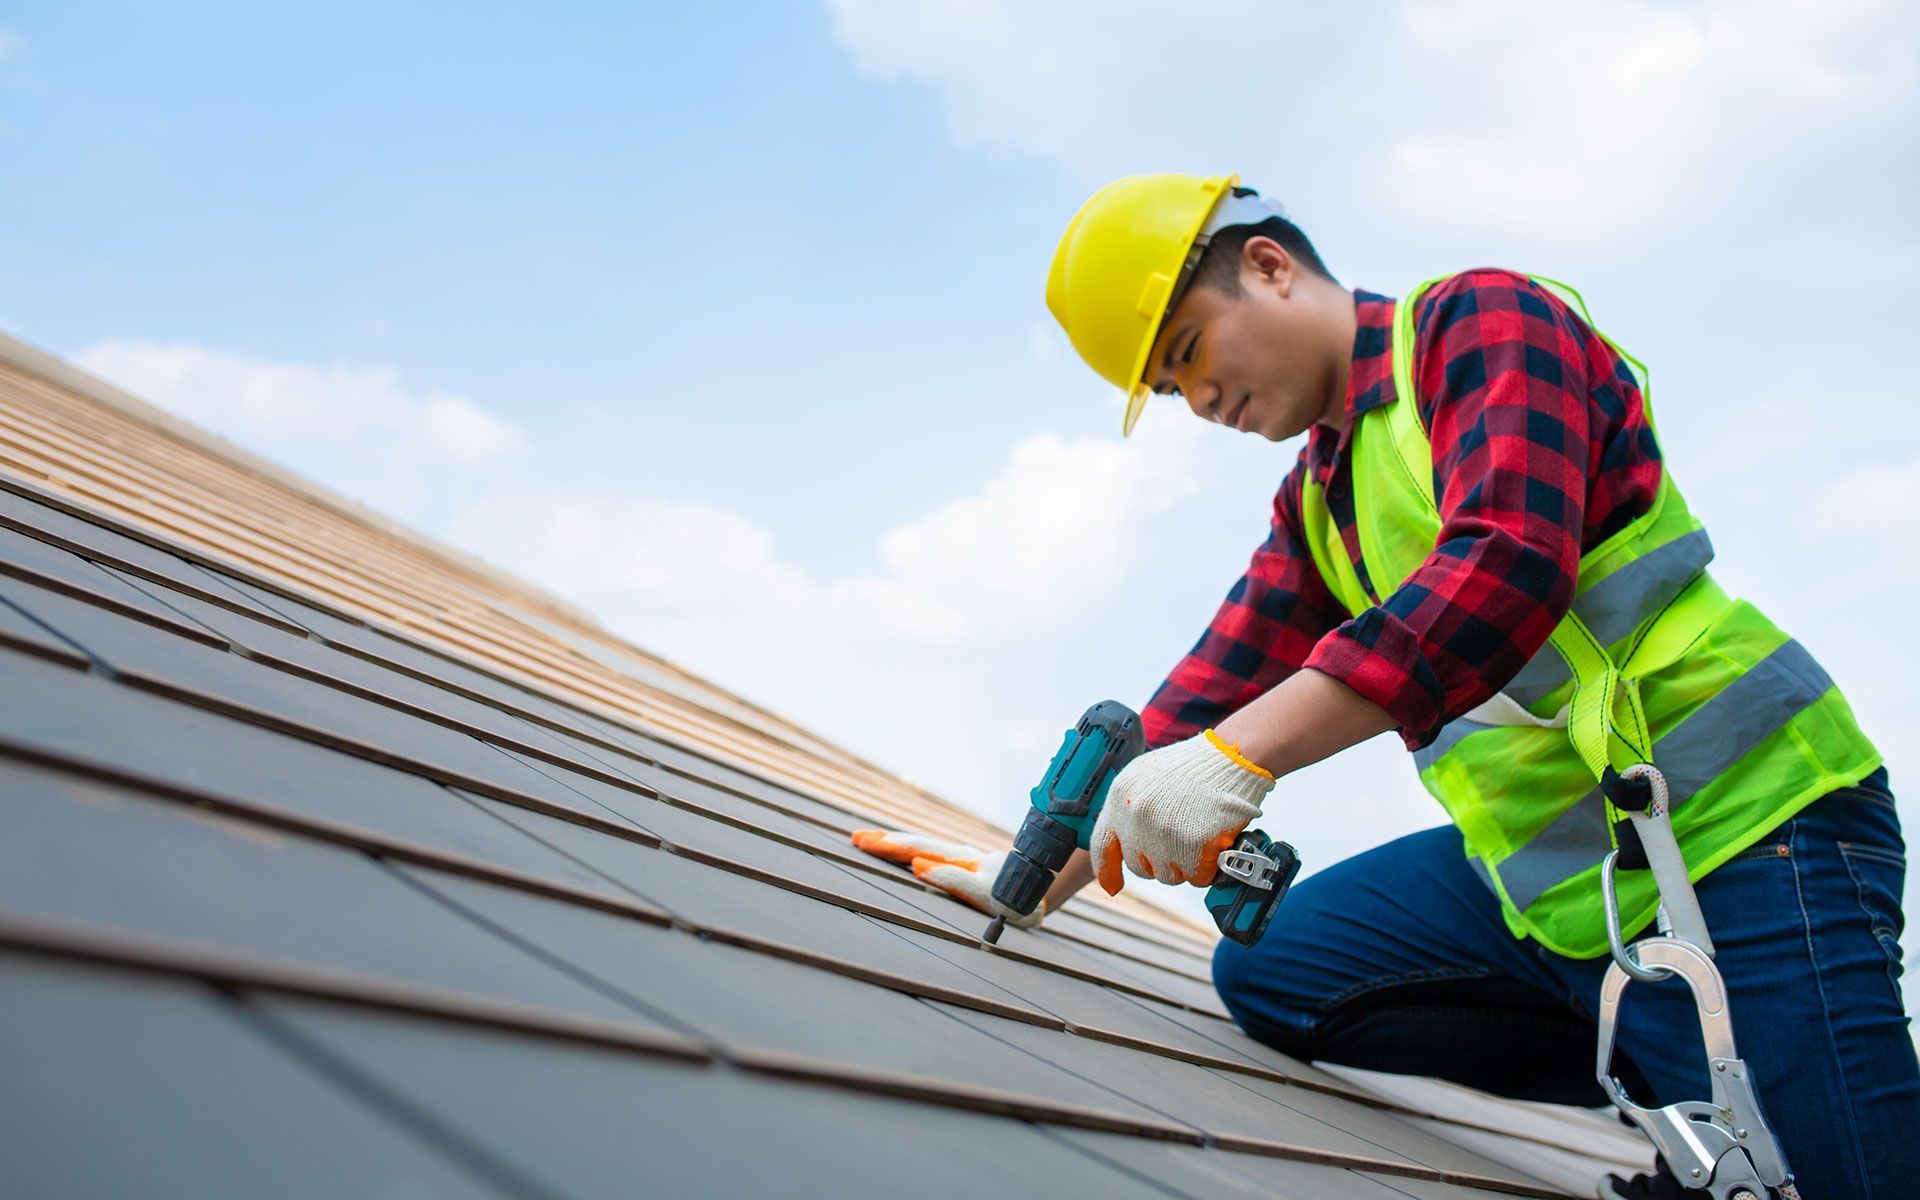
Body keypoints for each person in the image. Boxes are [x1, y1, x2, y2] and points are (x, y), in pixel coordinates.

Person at [854, 173, 1915, 1196]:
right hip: (1567, 892)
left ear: (1268, 268)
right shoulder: (1319, 497)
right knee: (1276, 976)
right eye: (1174, 392)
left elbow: (1505, 564)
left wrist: (1242, 759)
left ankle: (1766, 1089)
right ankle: (1669, 1060)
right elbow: (1211, 688)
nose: (1201, 400)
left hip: (1751, 829)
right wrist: (1040, 870)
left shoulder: (1483, 321)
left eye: (1188, 354)